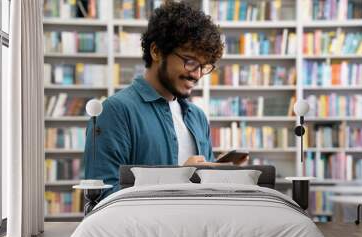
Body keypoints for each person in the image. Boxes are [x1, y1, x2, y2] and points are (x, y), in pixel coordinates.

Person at [84, 1, 247, 199]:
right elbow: (101, 196)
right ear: (156, 52)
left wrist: (223, 174)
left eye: (204, 67)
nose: (197, 75)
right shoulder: (114, 111)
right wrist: (180, 179)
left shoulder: (197, 117)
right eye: (190, 62)